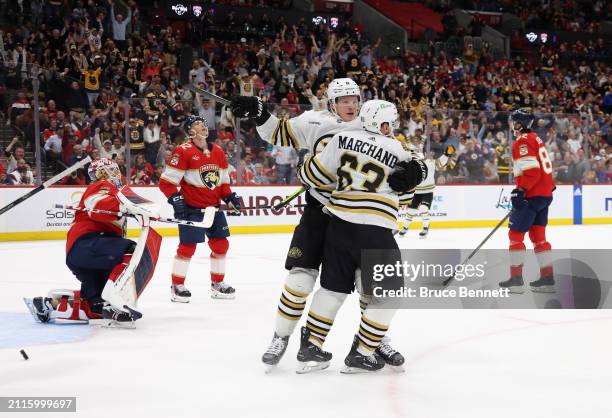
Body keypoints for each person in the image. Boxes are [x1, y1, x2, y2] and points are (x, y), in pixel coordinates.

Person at [232, 79, 424, 370]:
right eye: (343, 100)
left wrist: (417, 170)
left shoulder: (370, 121)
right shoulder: (314, 121)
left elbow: (406, 153)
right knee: (301, 278)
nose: (350, 105)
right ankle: (281, 337)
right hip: (321, 213)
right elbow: (278, 131)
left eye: (354, 99)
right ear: (331, 103)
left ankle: (372, 339)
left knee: (365, 282)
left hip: (347, 215)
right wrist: (259, 113)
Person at [295, 100, 416, 373]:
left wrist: (305, 162)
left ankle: (311, 346)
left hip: (338, 224)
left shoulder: (341, 137)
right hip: (374, 230)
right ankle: (363, 351)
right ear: (384, 124)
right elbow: (406, 196)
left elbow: (313, 176)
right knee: (389, 293)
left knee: (332, 289)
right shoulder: (398, 150)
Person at [25, 159, 146, 326]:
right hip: (89, 244)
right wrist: (125, 207)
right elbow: (97, 206)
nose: (114, 174)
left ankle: (48, 305)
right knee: (131, 250)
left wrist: (135, 209)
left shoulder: (117, 192)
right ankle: (116, 297)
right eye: (109, 171)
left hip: (89, 256)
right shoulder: (104, 186)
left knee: (97, 307)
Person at [159, 116, 241, 302]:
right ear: (190, 131)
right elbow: (166, 183)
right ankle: (177, 286)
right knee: (187, 248)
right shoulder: (183, 151)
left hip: (213, 209)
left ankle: (217, 284)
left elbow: (223, 183)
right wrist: (176, 198)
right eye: (197, 124)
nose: (203, 126)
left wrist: (229, 196)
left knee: (221, 245)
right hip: (192, 209)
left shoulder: (218, 151)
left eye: (204, 123)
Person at [499, 108, 556, 293]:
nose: (511, 124)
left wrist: (521, 190)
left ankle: (516, 279)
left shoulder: (522, 142)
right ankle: (547, 278)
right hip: (544, 195)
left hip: (532, 195)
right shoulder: (536, 139)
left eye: (513, 121)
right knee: (539, 238)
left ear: (519, 124)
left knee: (515, 236)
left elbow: (532, 171)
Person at [398, 134, 455, 238]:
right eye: (428, 151)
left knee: (424, 208)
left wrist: (447, 154)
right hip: (416, 191)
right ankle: (405, 227)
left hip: (428, 191)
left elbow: (442, 162)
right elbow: (408, 156)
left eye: (431, 152)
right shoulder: (417, 161)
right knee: (410, 211)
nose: (430, 153)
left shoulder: (434, 162)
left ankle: (425, 227)